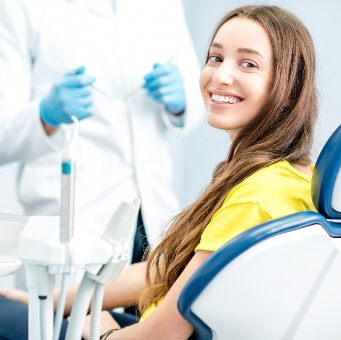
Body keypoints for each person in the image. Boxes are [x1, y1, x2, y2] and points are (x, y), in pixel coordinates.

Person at [0, 5, 318, 339]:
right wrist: (45, 115)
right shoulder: (287, 176)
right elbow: (166, 271)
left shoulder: (256, 195)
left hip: (144, 283)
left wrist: (103, 332)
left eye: (248, 63)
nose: (221, 75)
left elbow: (161, 334)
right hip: (80, 210)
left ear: (289, 88)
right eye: (215, 58)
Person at [0, 0, 203, 266]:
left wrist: (182, 101)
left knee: (151, 301)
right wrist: (45, 115)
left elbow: (197, 99)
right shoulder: (20, 6)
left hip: (154, 214)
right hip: (73, 220)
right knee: (76, 306)